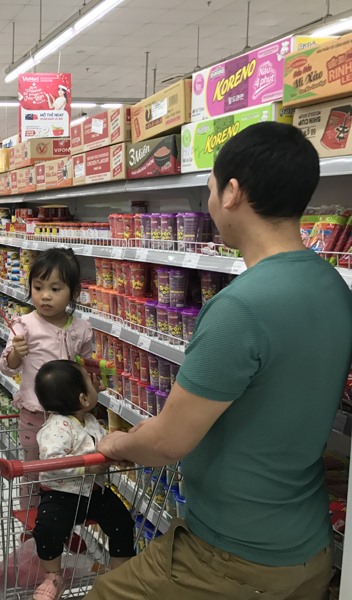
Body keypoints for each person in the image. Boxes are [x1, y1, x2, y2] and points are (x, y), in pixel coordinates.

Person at [90, 122, 352, 599]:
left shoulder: (240, 307)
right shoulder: (332, 285)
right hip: (308, 547)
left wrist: (118, 442)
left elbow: (168, 442)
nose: (210, 201)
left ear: (232, 193)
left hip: (234, 556)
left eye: (210, 188)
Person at [31, 360, 134, 600]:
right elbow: (52, 462)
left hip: (95, 491)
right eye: (89, 380)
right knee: (47, 529)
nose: (95, 382)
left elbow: (104, 446)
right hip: (60, 494)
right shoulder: (56, 428)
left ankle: (118, 575)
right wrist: (86, 466)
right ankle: (53, 576)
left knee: (122, 522)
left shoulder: (90, 421)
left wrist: (116, 457)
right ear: (83, 399)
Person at [0, 248, 94, 469]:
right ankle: (32, 493)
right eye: (38, 287)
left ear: (74, 292)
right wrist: (16, 354)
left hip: (71, 415)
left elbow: (85, 368)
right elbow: (6, 368)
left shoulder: (82, 328)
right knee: (33, 469)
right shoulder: (25, 325)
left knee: (67, 471)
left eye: (55, 289)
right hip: (35, 414)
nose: (45, 296)